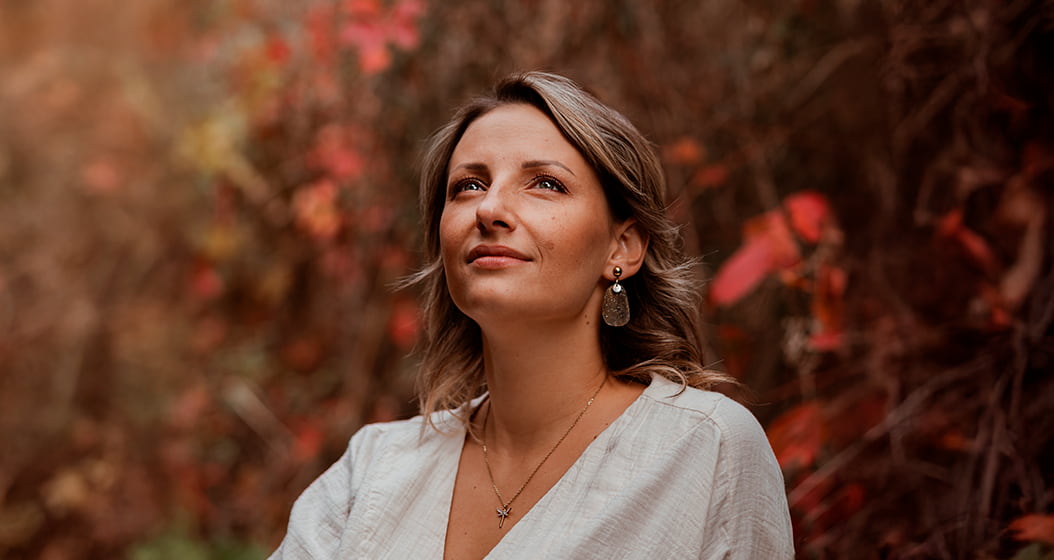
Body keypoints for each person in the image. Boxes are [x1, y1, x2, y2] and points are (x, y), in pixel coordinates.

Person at [269, 71, 794, 559]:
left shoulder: (706, 449)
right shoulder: (375, 470)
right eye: (468, 185)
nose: (489, 208)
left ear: (623, 247)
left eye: (545, 183)